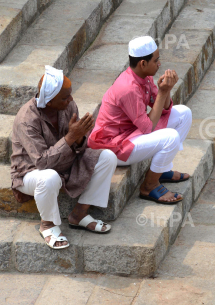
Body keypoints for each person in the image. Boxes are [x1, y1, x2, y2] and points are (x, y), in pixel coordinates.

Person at [11, 66, 117, 249]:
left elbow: (80, 146)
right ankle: (48, 224)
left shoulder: (68, 106)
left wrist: (80, 137)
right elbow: (42, 163)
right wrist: (70, 137)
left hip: (66, 163)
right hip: (30, 173)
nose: (71, 99)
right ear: (49, 101)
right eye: (65, 97)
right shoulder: (26, 120)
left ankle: (80, 214)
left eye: (70, 94)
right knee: (49, 176)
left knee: (107, 157)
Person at [89, 36, 192, 204]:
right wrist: (163, 92)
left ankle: (163, 170)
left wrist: (165, 91)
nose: (159, 64)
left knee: (184, 113)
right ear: (143, 63)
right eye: (156, 60)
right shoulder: (128, 88)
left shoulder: (145, 76)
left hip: (132, 133)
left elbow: (163, 107)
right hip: (115, 147)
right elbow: (147, 128)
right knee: (170, 137)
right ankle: (149, 186)